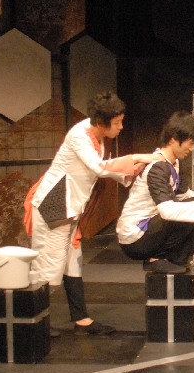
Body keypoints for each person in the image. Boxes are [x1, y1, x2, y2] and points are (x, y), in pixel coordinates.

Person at [25, 92, 158, 336]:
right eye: (116, 122)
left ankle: (81, 320)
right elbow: (98, 167)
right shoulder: (80, 135)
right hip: (54, 206)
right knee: (49, 267)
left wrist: (132, 168)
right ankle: (31, 323)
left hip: (70, 209)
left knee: (72, 264)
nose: (120, 127)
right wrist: (137, 157)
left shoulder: (98, 136)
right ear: (101, 122)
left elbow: (101, 169)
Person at [116, 112, 194, 273]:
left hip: (149, 228)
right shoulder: (158, 166)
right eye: (189, 143)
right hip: (134, 238)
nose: (191, 149)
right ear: (174, 139)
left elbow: (183, 194)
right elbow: (167, 211)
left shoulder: (172, 164)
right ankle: (157, 259)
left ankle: (175, 261)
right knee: (192, 209)